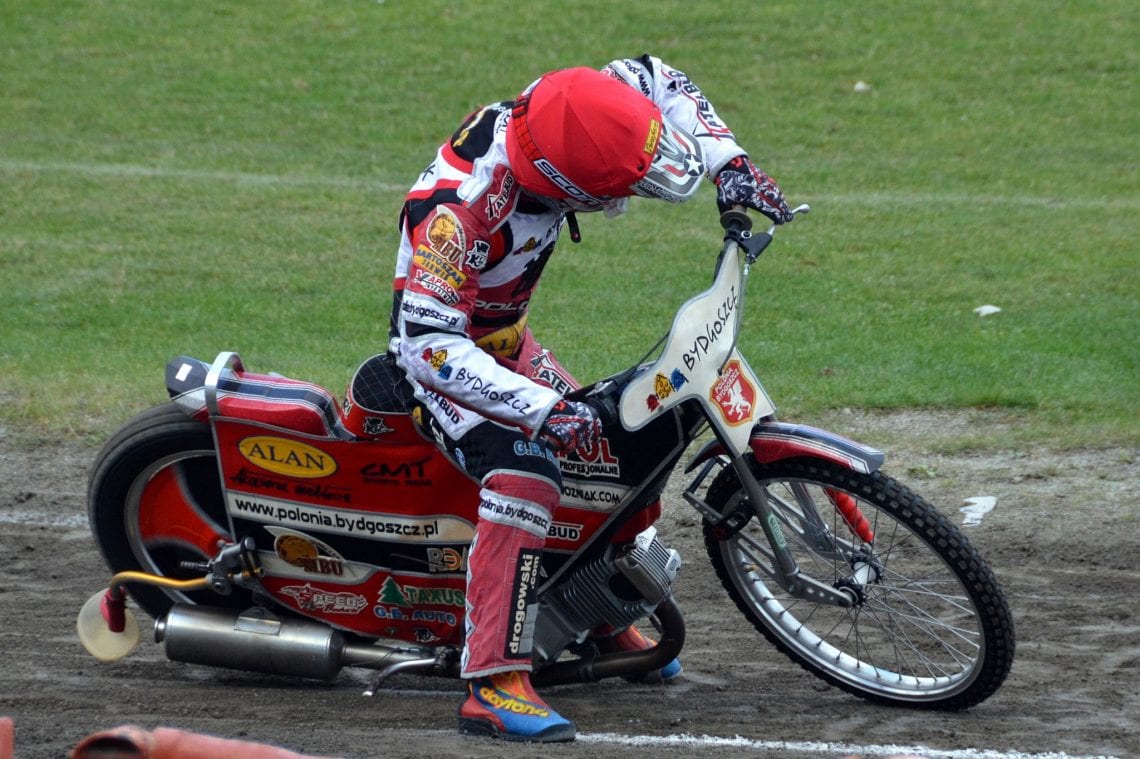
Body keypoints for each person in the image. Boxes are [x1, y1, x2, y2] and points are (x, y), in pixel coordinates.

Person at [388, 54, 793, 743]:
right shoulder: (458, 214)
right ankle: (493, 680)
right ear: (560, 183)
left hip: (504, 340)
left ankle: (594, 609)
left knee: (612, 452)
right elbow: (428, 345)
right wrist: (542, 410)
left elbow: (657, 76)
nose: (621, 201)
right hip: (441, 366)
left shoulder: (570, 107)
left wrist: (730, 163)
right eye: (607, 193)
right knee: (527, 475)